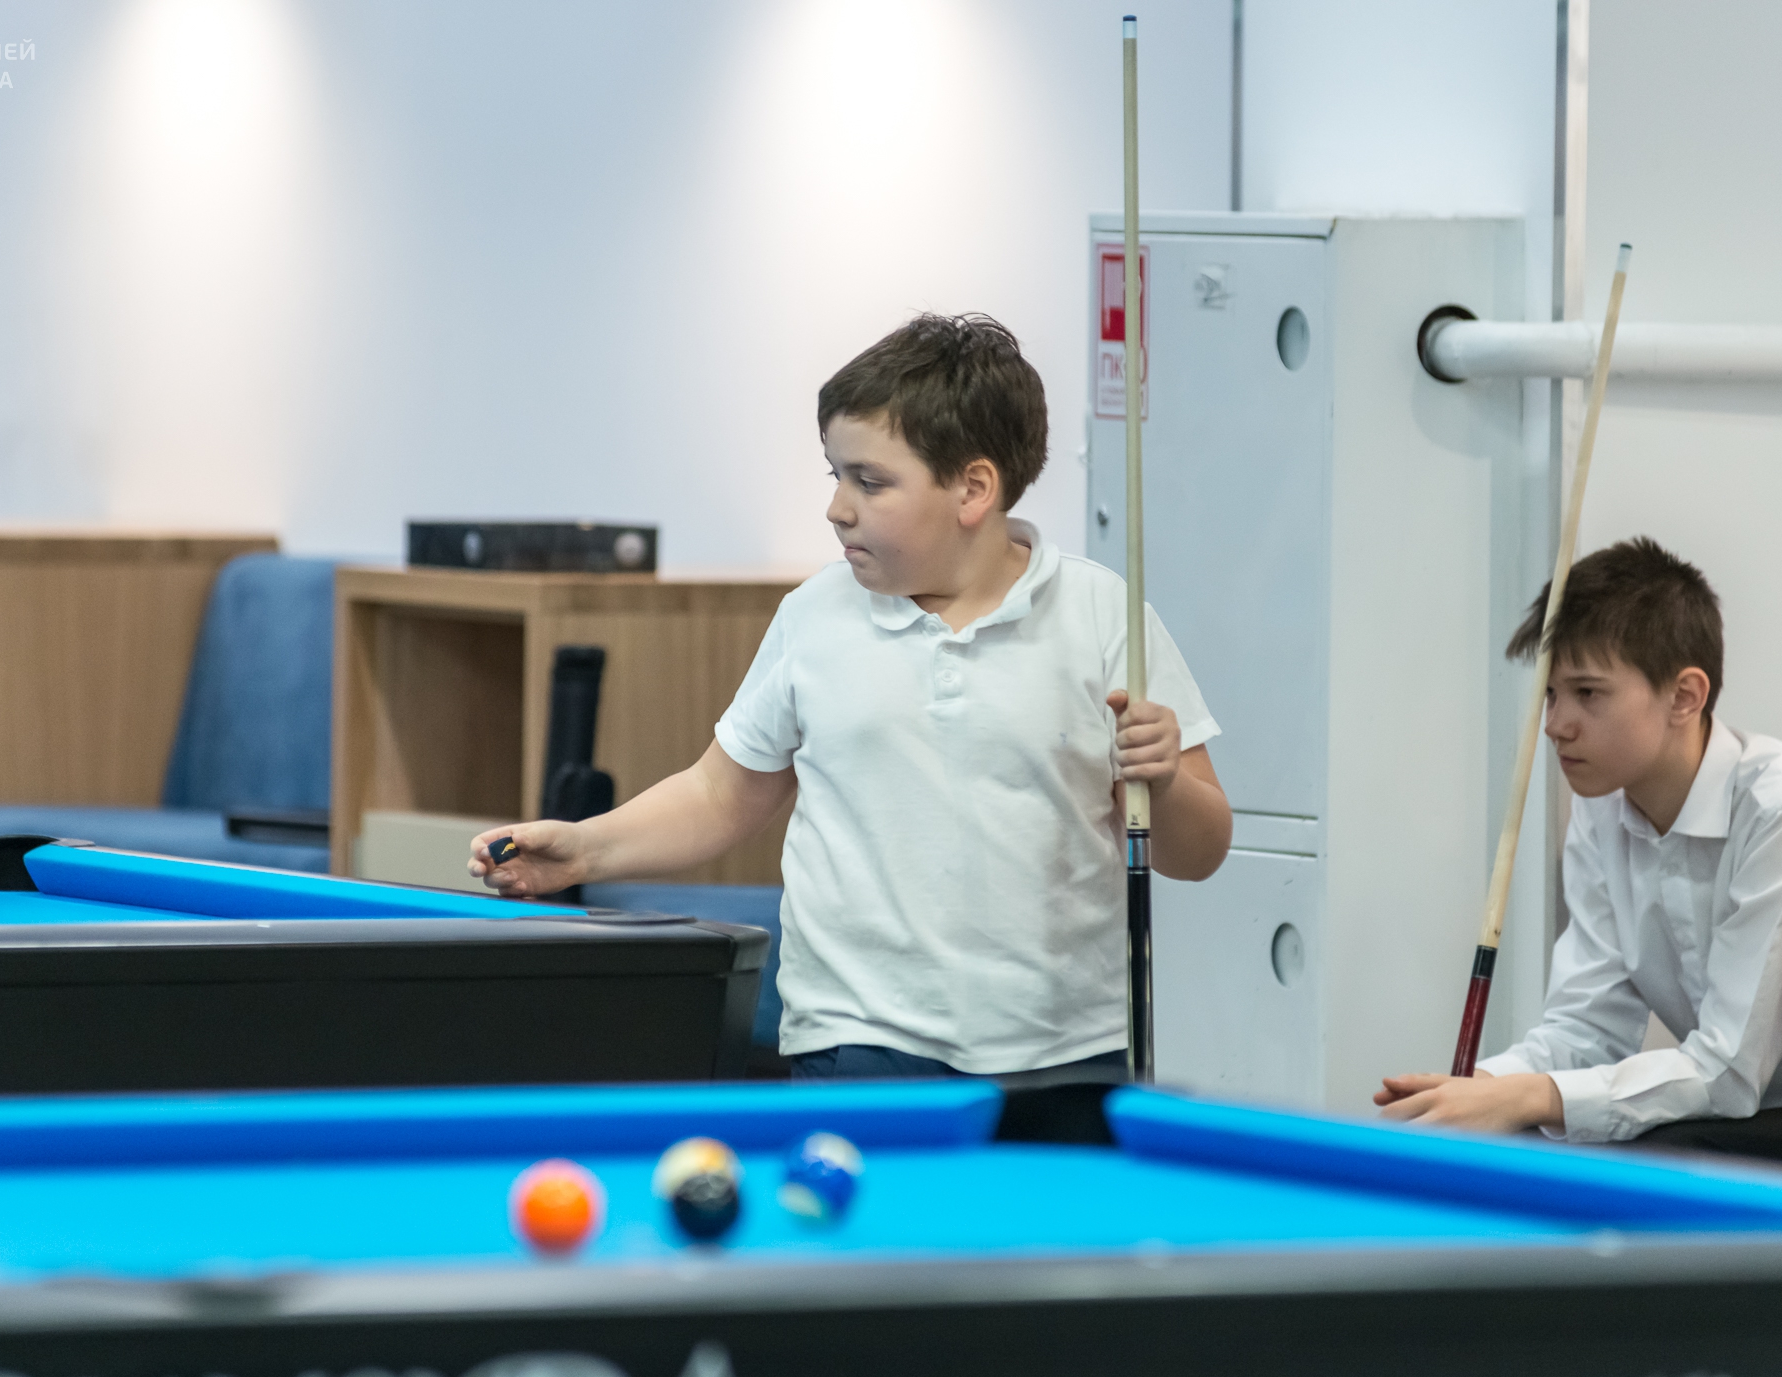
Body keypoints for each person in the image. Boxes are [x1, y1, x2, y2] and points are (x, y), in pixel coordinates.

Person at [470, 313, 1231, 1081]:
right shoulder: (815, 616)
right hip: (854, 1038)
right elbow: (718, 795)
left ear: (973, 489)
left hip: (1066, 1051)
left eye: (869, 481)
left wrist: (1165, 781)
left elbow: (1199, 852)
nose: (838, 506)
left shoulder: (1103, 617)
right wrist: (584, 848)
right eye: (835, 474)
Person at [1375, 537, 1782, 1189]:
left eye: (1587, 693)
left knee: (1640, 1165)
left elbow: (1727, 1072)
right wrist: (1477, 1090)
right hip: (1780, 1114)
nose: (1556, 723)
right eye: (1549, 694)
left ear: (1684, 696)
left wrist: (1529, 1098)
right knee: (1531, 1148)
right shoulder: (1602, 812)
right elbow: (1587, 1028)